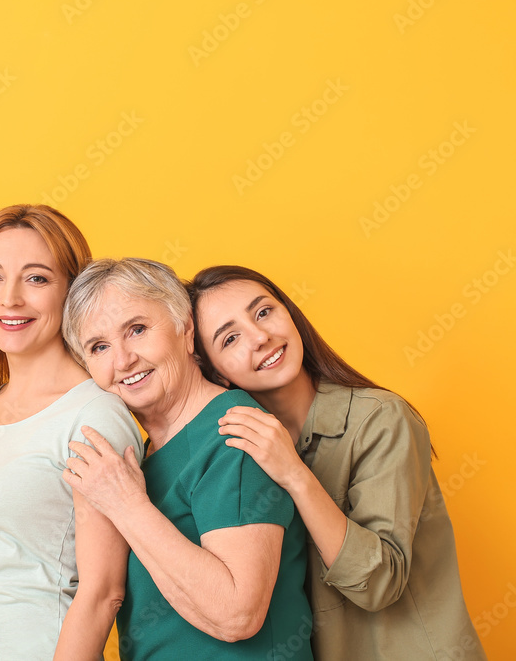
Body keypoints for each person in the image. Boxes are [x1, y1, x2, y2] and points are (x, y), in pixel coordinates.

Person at [186, 264, 486, 660]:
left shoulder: (380, 419)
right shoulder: (233, 455)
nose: (260, 337)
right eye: (230, 338)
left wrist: (294, 473)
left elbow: (380, 583)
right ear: (215, 373)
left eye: (263, 312)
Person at [0, 205, 144, 661]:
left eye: (36, 278)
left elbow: (103, 592)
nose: (10, 299)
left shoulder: (94, 415)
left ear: (71, 292)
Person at [60, 257, 313, 661]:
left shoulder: (234, 430)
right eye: (99, 347)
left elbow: (238, 613)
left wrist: (127, 506)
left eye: (137, 330)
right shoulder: (135, 461)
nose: (122, 360)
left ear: (186, 330)